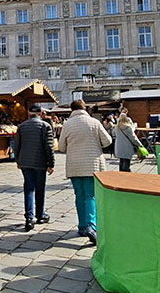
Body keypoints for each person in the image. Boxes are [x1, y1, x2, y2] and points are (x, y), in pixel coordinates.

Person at [58, 99, 112, 245]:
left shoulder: (67, 124)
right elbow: (108, 141)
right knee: (91, 195)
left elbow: (61, 147)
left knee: (79, 195)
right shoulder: (94, 122)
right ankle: (91, 226)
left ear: (72, 110)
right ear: (84, 109)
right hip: (92, 164)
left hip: (75, 166)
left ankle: (82, 226)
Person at [14, 104, 55, 231]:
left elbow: (17, 145)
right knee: (40, 188)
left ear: (29, 112)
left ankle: (29, 217)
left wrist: (18, 160)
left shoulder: (22, 127)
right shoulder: (45, 126)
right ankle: (40, 214)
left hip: (25, 161)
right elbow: (49, 146)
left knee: (28, 188)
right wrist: (51, 163)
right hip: (40, 162)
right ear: (40, 113)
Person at [114, 108, 142, 172]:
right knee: (126, 162)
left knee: (121, 161)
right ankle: (126, 175)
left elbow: (113, 134)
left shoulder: (116, 127)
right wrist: (139, 144)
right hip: (127, 147)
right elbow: (133, 137)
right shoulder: (128, 127)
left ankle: (121, 175)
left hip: (119, 147)